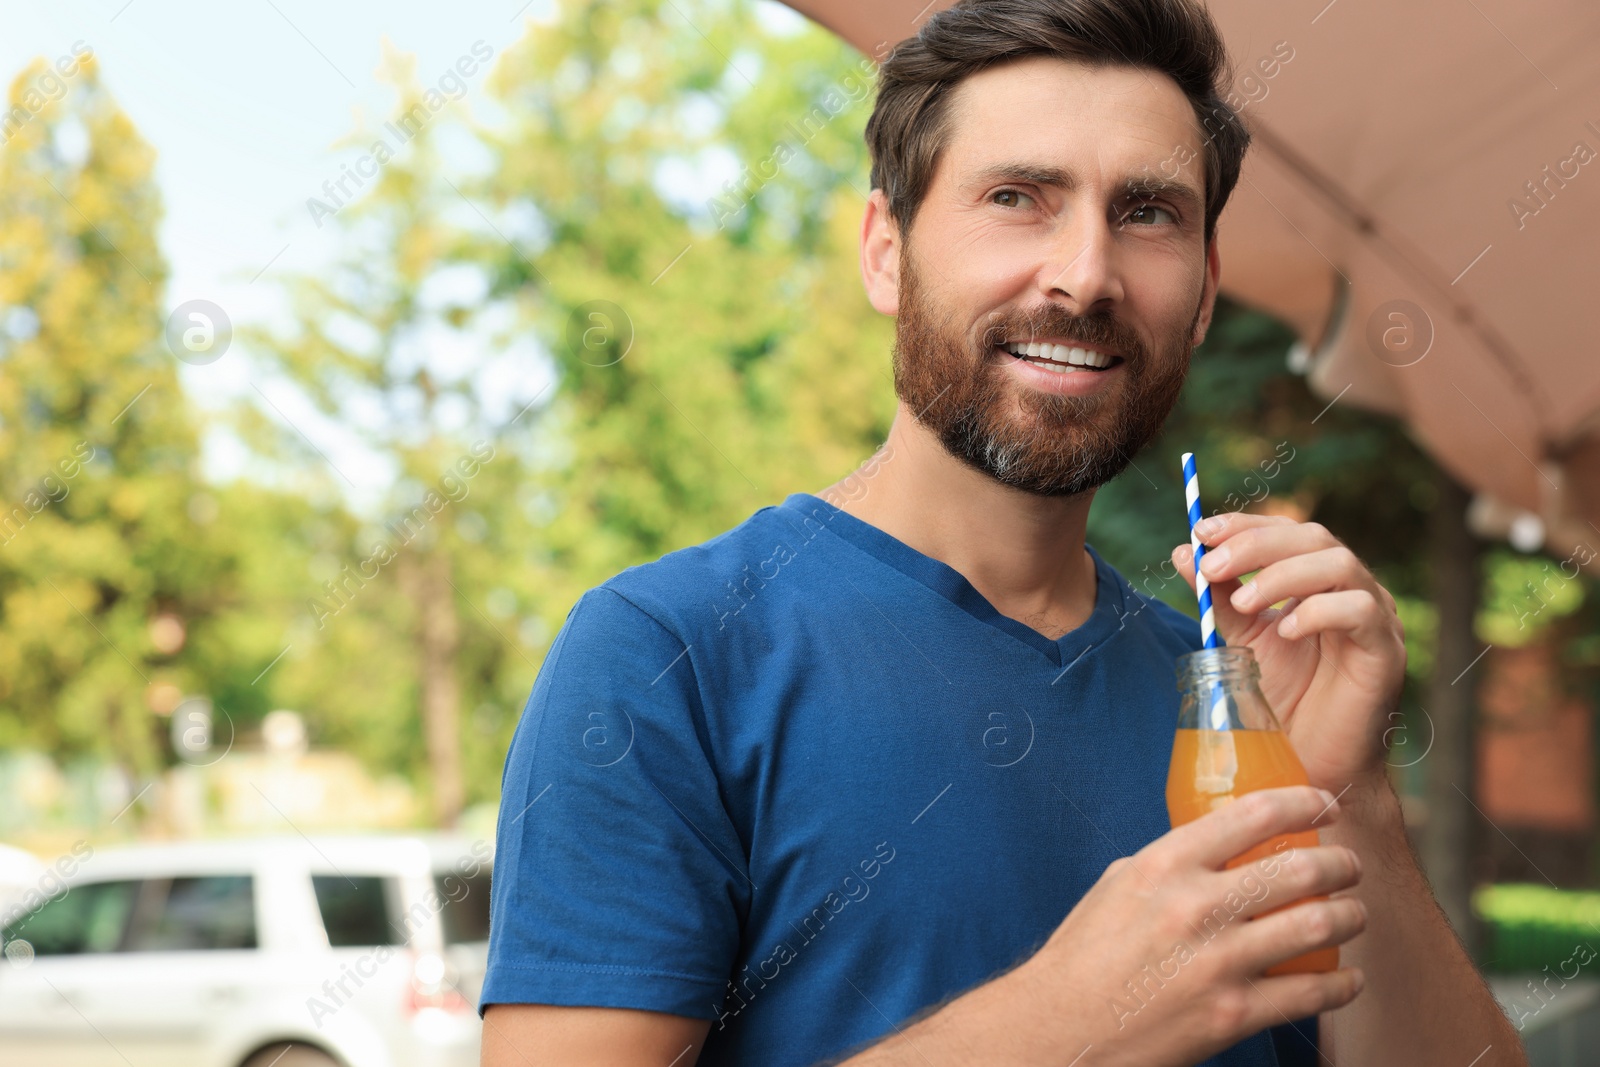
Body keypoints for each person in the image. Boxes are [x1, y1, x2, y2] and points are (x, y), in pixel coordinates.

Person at [479, 0, 1526, 1064]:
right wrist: (1068, 1023)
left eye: (1149, 212)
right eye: (1016, 198)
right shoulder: (668, 656)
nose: (1085, 273)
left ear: (1204, 295)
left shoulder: (1235, 698)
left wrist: (1348, 801)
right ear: (885, 252)